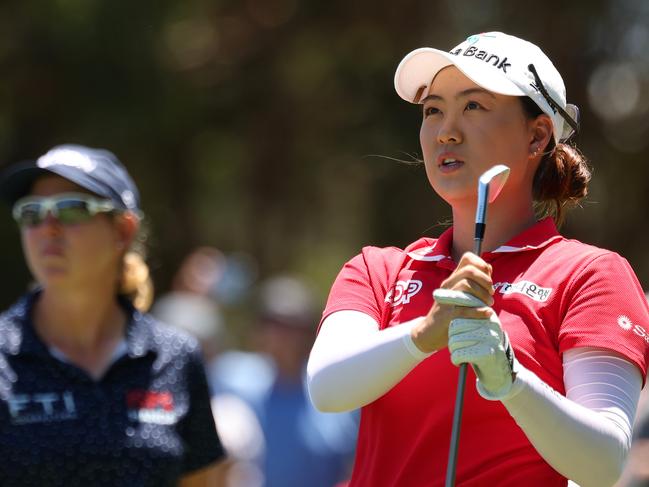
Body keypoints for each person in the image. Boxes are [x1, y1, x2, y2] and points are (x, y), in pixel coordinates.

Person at [307, 32, 649, 487]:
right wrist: (426, 332)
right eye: (433, 110)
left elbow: (603, 462)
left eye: (474, 106)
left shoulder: (590, 275)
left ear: (537, 135)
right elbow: (327, 388)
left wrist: (511, 380)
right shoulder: (379, 269)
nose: (446, 130)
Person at [0, 144, 225, 487]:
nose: (47, 228)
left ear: (122, 231)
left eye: (71, 209)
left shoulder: (176, 356)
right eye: (31, 213)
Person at [211, 275, 358, 487]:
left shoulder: (335, 391)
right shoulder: (230, 378)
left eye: (291, 325)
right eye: (271, 322)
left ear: (308, 332)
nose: (279, 334)